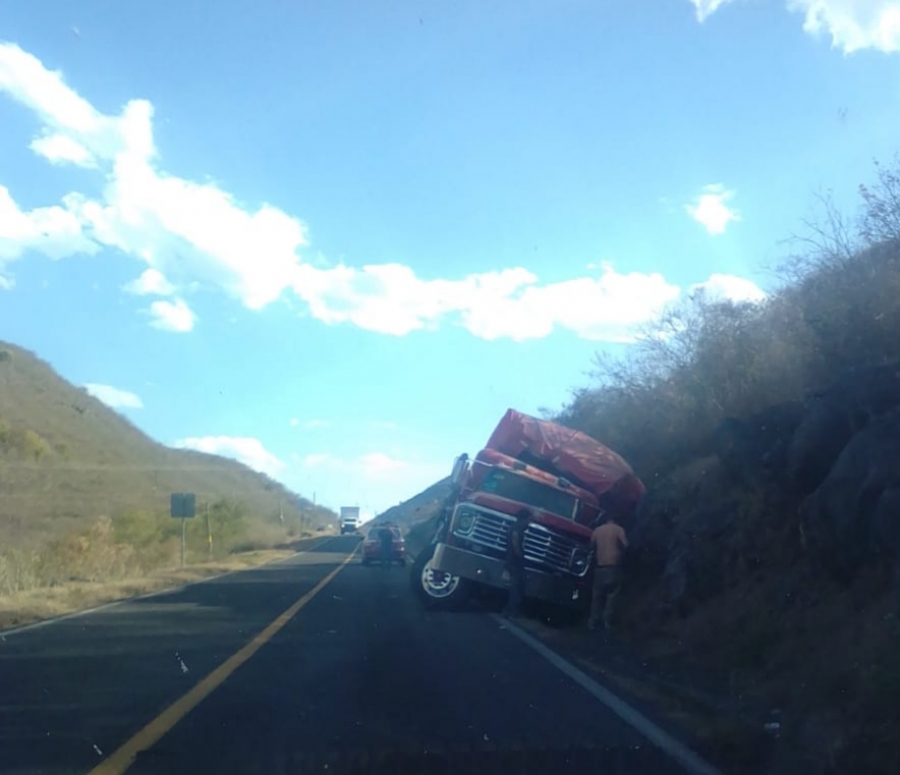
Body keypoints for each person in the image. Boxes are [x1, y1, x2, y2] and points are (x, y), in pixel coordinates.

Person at [588, 513, 629, 631]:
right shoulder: (619, 529)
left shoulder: (597, 530)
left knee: (596, 596)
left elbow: (591, 547)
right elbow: (626, 545)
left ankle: (593, 621)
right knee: (612, 595)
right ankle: (606, 622)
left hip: (600, 567)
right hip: (613, 567)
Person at [503, 509, 531, 618]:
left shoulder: (513, 527)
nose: (529, 522)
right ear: (524, 519)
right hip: (515, 562)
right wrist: (520, 556)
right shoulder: (517, 529)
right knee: (516, 588)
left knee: (515, 588)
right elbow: (515, 543)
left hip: (511, 561)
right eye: (528, 519)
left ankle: (510, 610)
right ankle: (510, 611)